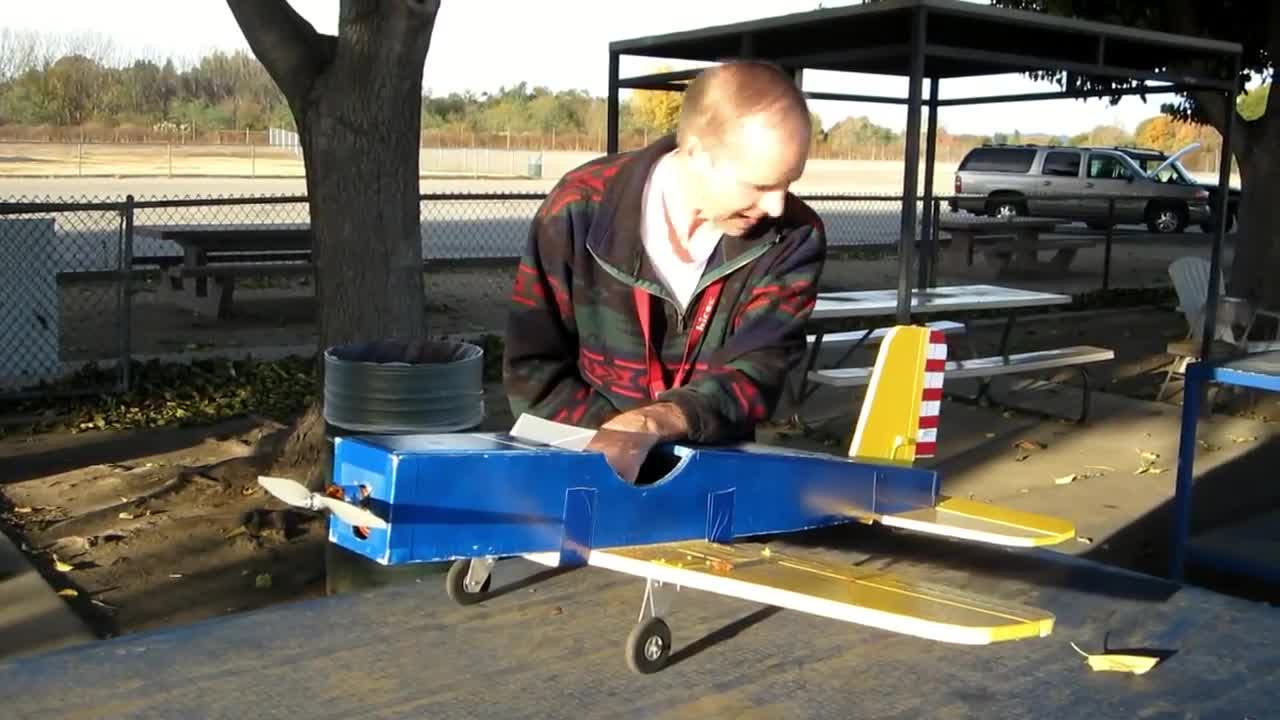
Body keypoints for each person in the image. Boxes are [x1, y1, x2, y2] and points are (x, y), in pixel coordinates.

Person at [502, 60, 827, 452]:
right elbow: (532, 370)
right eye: (759, 185)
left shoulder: (794, 235)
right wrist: (617, 443)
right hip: (581, 462)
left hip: (711, 473)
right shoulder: (579, 209)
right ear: (696, 153)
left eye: (788, 183)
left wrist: (659, 424)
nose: (776, 207)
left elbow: (763, 368)